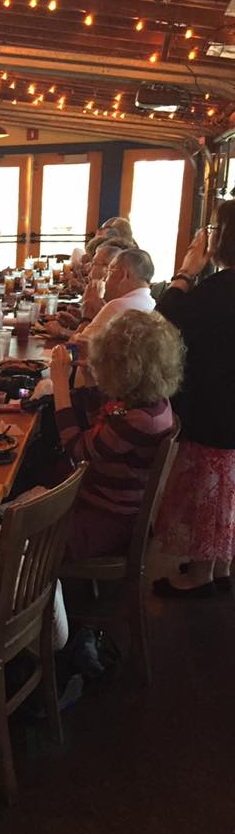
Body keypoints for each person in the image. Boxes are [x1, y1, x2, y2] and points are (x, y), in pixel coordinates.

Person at [50, 310, 181, 560]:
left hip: (108, 519)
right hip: (106, 504)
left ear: (125, 368)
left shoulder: (141, 420)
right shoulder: (150, 402)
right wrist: (91, 383)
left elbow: (78, 451)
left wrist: (60, 387)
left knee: (17, 534)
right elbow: (101, 432)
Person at [154, 209, 235, 596]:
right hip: (226, 403)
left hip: (215, 404)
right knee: (228, 485)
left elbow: (161, 325)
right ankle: (218, 565)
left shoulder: (219, 288)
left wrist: (186, 272)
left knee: (210, 485)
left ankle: (201, 575)